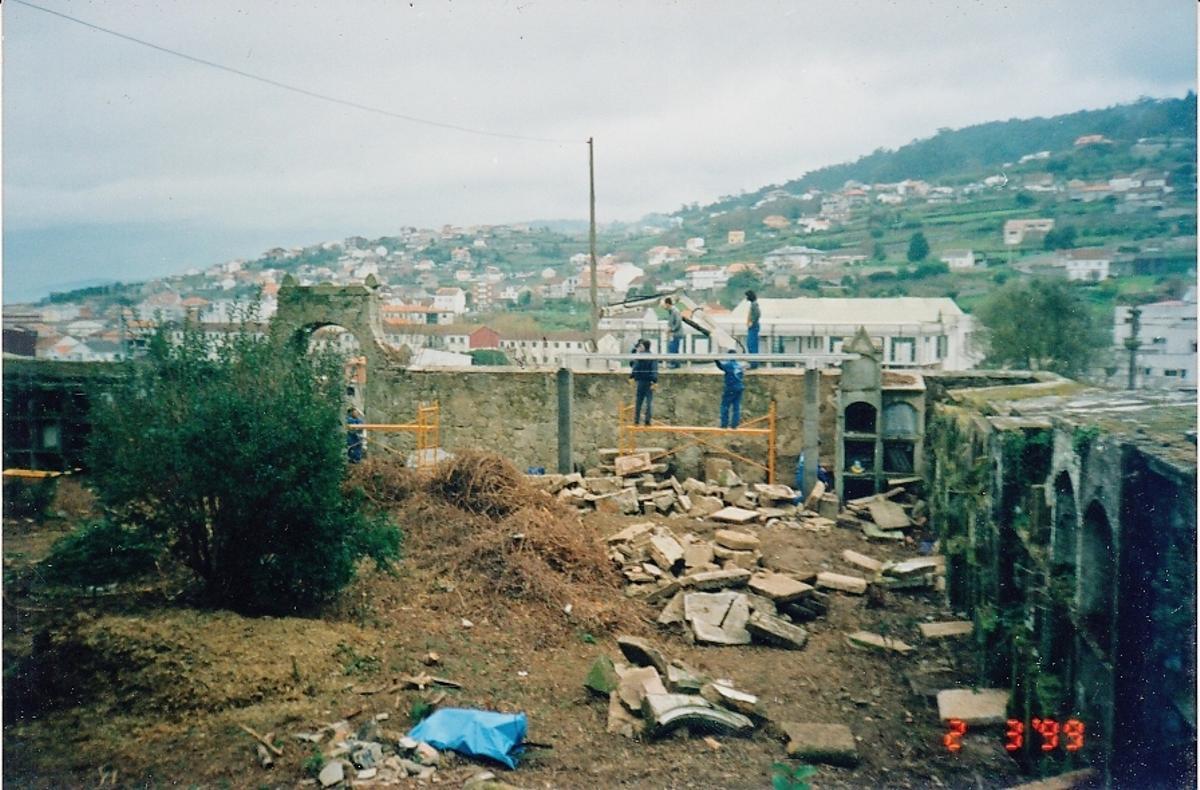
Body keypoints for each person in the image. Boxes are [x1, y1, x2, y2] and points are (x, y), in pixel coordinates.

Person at [629, 339, 658, 426]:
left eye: (640, 346)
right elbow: (654, 369)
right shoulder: (652, 357)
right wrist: (655, 381)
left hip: (641, 381)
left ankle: (636, 420)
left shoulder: (639, 357)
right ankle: (647, 420)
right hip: (649, 381)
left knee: (639, 401)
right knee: (648, 402)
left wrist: (632, 377)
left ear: (644, 346)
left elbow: (634, 366)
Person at [714, 350, 745, 429]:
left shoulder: (729, 365)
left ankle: (724, 424)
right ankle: (734, 424)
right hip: (740, 387)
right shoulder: (739, 366)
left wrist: (715, 359)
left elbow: (721, 367)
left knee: (725, 405)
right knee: (736, 406)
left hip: (731, 388)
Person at [664, 297, 684, 368]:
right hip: (674, 334)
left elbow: (678, 322)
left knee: (673, 348)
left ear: (667, 304)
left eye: (664, 305)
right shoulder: (672, 311)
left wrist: (671, 329)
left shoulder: (675, 311)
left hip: (676, 334)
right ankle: (675, 364)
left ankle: (674, 364)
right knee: (673, 348)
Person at [745, 290, 761, 369]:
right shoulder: (753, 304)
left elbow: (758, 314)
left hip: (753, 327)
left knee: (752, 344)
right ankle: (752, 362)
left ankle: (753, 363)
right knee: (750, 344)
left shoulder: (754, 304)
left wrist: (752, 322)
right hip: (752, 327)